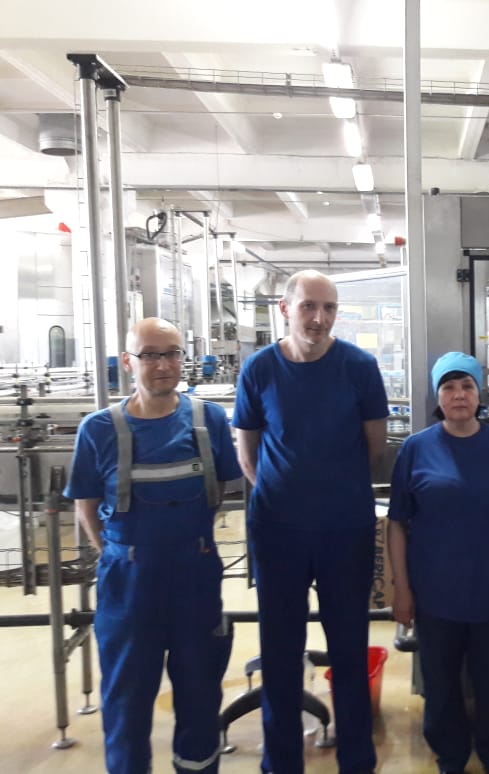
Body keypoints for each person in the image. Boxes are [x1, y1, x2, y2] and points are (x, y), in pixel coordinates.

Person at [65, 317, 241, 774]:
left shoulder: (209, 420)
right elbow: (86, 507)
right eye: (151, 355)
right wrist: (118, 552)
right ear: (128, 362)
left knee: (200, 694)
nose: (164, 365)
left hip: (195, 578)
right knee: (126, 700)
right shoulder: (98, 429)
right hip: (128, 584)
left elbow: (220, 491)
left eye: (172, 353)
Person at [233, 270, 388, 774]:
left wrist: (331, 491)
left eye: (329, 308)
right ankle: (281, 762)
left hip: (345, 529)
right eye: (308, 307)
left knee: (349, 647)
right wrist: (286, 495)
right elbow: (247, 452)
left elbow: (374, 446)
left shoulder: (359, 367)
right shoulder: (259, 369)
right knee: (280, 650)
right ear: (285, 308)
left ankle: (357, 760)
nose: (319, 318)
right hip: (278, 530)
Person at [387, 351, 489, 774]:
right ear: (438, 396)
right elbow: (397, 523)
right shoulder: (416, 448)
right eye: (449, 387)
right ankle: (450, 758)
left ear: (480, 394)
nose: (459, 394)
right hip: (436, 594)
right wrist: (402, 588)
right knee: (442, 686)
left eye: (467, 386)